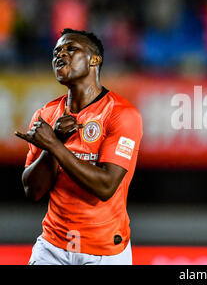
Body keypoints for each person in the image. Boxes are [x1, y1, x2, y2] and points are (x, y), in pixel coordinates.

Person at [15, 28, 143, 265]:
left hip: (104, 251)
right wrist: (52, 146)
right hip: (52, 246)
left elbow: (105, 187)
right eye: (56, 51)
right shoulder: (46, 114)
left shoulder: (121, 114)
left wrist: (55, 144)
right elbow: (32, 191)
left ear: (95, 59)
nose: (60, 55)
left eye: (70, 48)